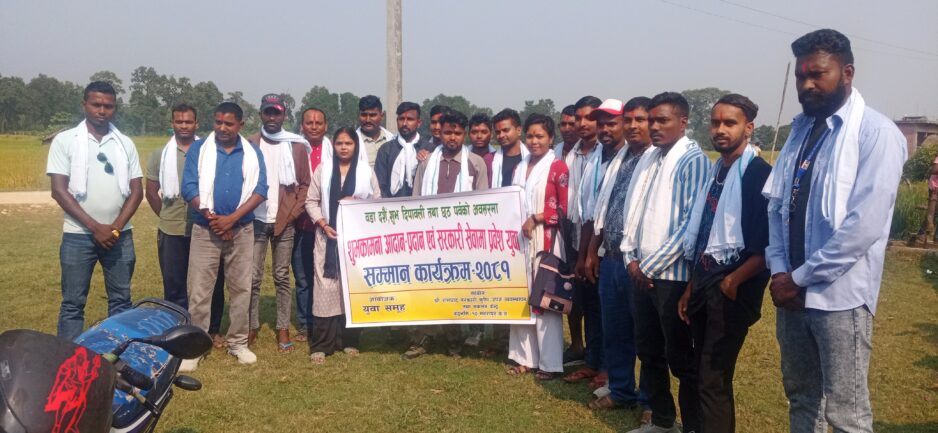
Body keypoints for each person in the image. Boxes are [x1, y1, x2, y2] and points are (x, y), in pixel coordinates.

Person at [765, 29, 906, 433]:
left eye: (817, 74)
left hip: (839, 298)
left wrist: (798, 278)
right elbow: (778, 207)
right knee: (802, 398)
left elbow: (863, 226)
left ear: (847, 73)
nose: (806, 84)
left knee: (847, 413)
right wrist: (780, 271)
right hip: (791, 294)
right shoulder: (800, 133)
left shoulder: (875, 133)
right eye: (801, 75)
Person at [677, 94, 772, 432]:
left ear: (748, 128)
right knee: (700, 372)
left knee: (713, 378)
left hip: (733, 290)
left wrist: (731, 282)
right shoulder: (716, 171)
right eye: (715, 122)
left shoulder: (758, 174)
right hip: (705, 282)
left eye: (729, 123)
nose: (720, 129)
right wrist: (692, 286)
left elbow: (767, 245)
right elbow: (705, 235)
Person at [621, 92, 709, 433]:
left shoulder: (692, 160)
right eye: (652, 120)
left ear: (682, 123)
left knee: (681, 359)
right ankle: (662, 420)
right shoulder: (651, 158)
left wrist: (647, 266)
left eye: (663, 120)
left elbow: (690, 225)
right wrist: (631, 258)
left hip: (671, 276)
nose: (654, 127)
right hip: (642, 272)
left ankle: (693, 426)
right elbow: (635, 213)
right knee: (648, 351)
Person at [46, 81, 143, 340]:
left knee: (121, 300)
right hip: (78, 234)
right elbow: (59, 190)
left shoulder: (124, 143)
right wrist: (95, 227)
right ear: (84, 105)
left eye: (108, 106)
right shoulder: (66, 141)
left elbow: (137, 191)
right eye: (96, 104)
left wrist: (115, 228)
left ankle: (117, 354)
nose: (102, 110)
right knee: (73, 303)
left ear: (115, 108)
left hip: (120, 236)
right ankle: (68, 356)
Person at [181, 102, 268, 370]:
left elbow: (260, 190)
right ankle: (196, 347)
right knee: (200, 289)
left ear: (241, 125)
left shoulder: (252, 152)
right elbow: (189, 187)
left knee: (241, 288)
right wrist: (214, 219)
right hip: (205, 229)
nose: (222, 128)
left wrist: (231, 220)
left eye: (228, 123)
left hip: (241, 230)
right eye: (218, 122)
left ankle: (238, 343)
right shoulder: (199, 149)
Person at [581, 97, 652, 414]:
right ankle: (622, 389)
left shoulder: (656, 160)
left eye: (639, 121)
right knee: (616, 329)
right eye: (630, 120)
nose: (633, 127)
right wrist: (593, 250)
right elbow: (602, 209)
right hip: (611, 256)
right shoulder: (618, 159)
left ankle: (651, 401)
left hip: (640, 261)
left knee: (646, 335)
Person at [406, 110, 489, 359]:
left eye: (457, 133)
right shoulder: (427, 162)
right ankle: (423, 338)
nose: (452, 137)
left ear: (465, 135)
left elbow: (483, 204)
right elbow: (416, 199)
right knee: (426, 288)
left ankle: (454, 340)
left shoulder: (476, 163)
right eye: (448, 132)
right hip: (429, 237)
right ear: (439, 133)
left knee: (454, 290)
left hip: (461, 239)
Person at [144, 104, 227, 349]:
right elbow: (151, 192)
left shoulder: (209, 152)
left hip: (205, 228)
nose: (183, 126)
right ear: (172, 123)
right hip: (171, 230)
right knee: (174, 283)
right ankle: (178, 330)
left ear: (196, 124)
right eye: (179, 121)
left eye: (188, 122)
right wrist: (166, 217)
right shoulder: (160, 154)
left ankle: (212, 330)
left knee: (212, 282)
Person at [305, 127, 381, 363]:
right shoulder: (323, 169)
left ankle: (349, 341)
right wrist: (323, 223)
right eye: (339, 143)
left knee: (351, 289)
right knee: (325, 289)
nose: (344, 147)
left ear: (356, 146)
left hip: (355, 241)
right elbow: (311, 201)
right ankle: (322, 344)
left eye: (348, 143)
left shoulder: (366, 172)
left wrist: (356, 202)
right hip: (327, 238)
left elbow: (377, 203)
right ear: (333, 145)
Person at [506, 113, 570, 381]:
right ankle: (525, 358)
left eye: (540, 136)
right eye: (530, 136)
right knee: (522, 297)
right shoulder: (520, 167)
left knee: (545, 300)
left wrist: (537, 218)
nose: (534, 141)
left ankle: (550, 363)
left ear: (551, 138)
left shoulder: (558, 167)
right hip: (521, 239)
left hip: (547, 240)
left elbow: (565, 209)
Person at [247, 94, 312, 353]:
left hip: (285, 221)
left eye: (276, 112)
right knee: (252, 278)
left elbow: (304, 184)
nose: (272, 117)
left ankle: (283, 327)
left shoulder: (295, 146)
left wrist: (293, 213)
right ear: (261, 114)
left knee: (282, 276)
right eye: (268, 112)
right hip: (255, 220)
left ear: (284, 115)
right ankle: (251, 326)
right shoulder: (250, 143)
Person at [564, 96, 603, 371]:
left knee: (596, 305)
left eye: (589, 118)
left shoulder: (607, 152)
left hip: (597, 242)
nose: (582, 123)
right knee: (575, 298)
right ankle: (578, 348)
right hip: (573, 235)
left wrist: (589, 251)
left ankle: (597, 359)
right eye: (578, 118)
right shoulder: (570, 152)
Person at [292, 107, 331, 343]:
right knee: (303, 277)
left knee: (327, 276)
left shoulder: (334, 151)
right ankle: (305, 324)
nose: (314, 127)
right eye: (309, 123)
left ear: (326, 126)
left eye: (318, 123)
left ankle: (326, 320)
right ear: (302, 126)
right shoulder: (293, 150)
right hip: (300, 224)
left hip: (326, 226)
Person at [374, 101, 432, 198]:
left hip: (421, 204)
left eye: (410, 119)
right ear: (397, 121)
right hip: (391, 205)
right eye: (401, 119)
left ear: (419, 123)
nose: (404, 123)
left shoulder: (429, 149)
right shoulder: (386, 150)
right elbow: (380, 185)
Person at [490, 108, 528, 188]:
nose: (501, 135)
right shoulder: (490, 160)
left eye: (506, 130)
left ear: (518, 130)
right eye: (498, 132)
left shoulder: (532, 159)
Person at [357, 95, 393, 167]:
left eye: (372, 115)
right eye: (364, 115)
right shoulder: (351, 141)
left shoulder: (391, 139)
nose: (368, 120)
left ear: (382, 116)